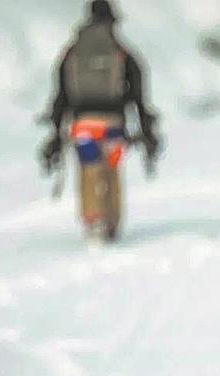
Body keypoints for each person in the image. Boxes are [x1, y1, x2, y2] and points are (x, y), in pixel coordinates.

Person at [39, 0, 162, 241]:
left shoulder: (72, 52)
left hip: (83, 125)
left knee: (89, 169)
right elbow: (138, 92)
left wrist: (56, 129)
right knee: (111, 169)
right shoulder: (121, 51)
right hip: (113, 123)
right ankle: (112, 221)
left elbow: (61, 94)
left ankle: (93, 220)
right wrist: (145, 127)